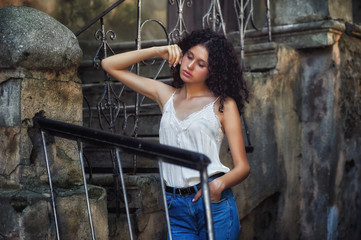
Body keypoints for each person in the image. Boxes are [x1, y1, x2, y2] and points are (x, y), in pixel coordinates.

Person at [101, 28, 250, 240]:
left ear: (212, 71)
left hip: (213, 202)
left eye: (201, 64)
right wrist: (156, 50)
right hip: (175, 206)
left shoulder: (223, 105)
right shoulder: (166, 96)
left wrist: (219, 184)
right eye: (189, 56)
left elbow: (243, 166)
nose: (190, 66)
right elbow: (109, 65)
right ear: (181, 54)